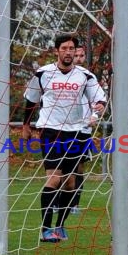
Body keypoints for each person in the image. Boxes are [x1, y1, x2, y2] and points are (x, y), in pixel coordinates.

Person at [23, 33, 106, 243]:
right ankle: (45, 229)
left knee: (70, 183)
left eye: (71, 49)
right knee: (54, 178)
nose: (68, 52)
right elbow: (31, 101)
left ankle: (60, 226)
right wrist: (26, 125)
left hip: (76, 132)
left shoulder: (85, 76)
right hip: (51, 130)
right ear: (57, 51)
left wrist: (98, 108)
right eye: (65, 48)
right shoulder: (43, 74)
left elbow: (99, 99)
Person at [70, 45, 99, 215]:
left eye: (82, 55)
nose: (79, 58)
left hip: (83, 130)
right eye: (76, 55)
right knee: (61, 168)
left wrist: (94, 115)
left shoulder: (89, 78)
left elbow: (98, 100)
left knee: (78, 168)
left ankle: (74, 204)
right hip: (64, 129)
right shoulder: (62, 78)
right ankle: (57, 202)